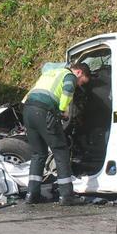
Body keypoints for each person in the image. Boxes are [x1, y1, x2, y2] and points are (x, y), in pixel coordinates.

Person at [22, 61, 91, 206]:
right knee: (61, 152)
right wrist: (62, 111)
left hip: (28, 111)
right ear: (78, 72)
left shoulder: (51, 72)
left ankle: (32, 194)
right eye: (81, 82)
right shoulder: (69, 75)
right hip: (44, 111)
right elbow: (67, 91)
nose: (79, 85)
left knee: (38, 154)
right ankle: (67, 196)